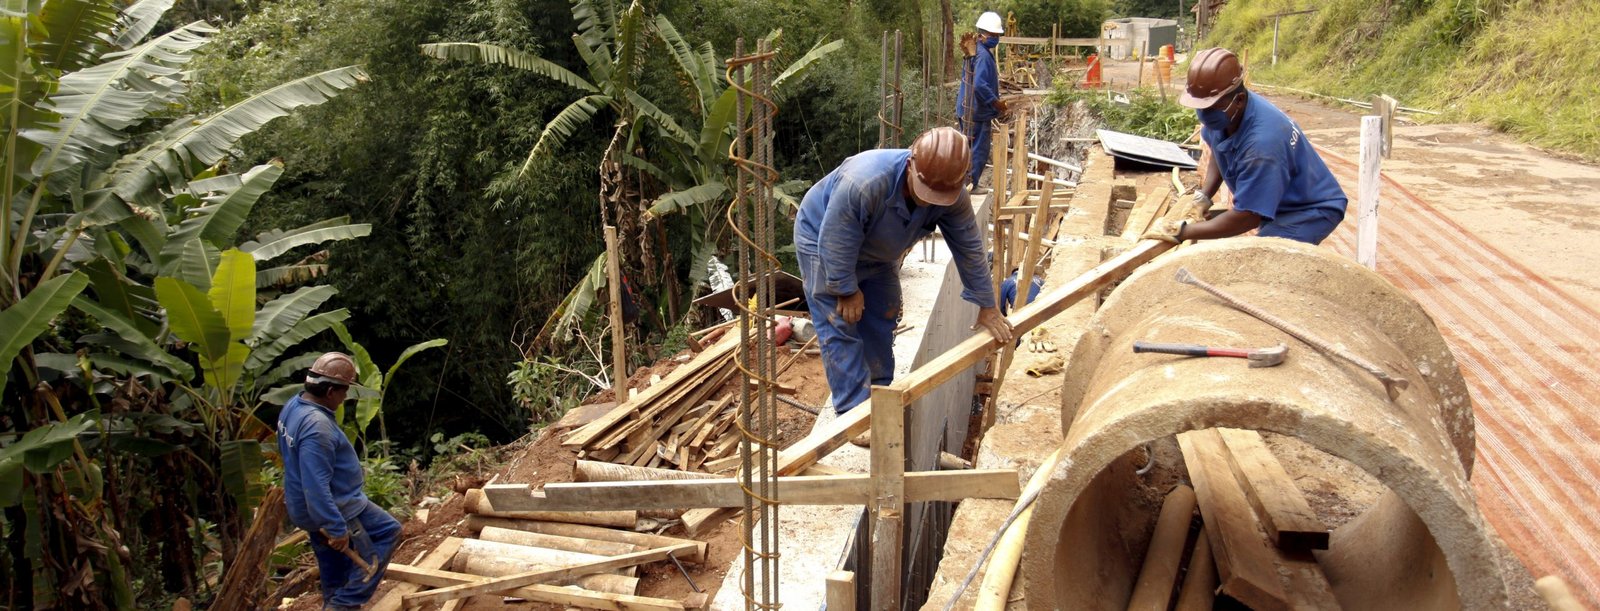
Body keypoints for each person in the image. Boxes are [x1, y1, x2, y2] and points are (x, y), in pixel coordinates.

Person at [795, 127, 1014, 415]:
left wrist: (987, 304)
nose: (929, 200)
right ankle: (852, 413)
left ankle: (878, 395)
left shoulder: (951, 194)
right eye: (926, 192)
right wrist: (845, 290)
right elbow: (836, 238)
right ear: (911, 163)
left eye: (939, 196)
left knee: (883, 314)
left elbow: (970, 247)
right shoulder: (864, 182)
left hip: (878, 251)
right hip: (823, 244)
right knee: (840, 323)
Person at [1145, 47, 1347, 245]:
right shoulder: (1225, 114)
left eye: (1210, 107)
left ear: (1239, 99)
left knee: (1261, 264)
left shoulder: (1262, 145)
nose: (1204, 115)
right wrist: (1204, 195)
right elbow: (1219, 148)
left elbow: (1248, 217)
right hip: (1279, 200)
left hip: (1308, 210)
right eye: (1200, 107)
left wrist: (1182, 231)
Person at [278, 352, 401, 611]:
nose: (345, 397)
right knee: (387, 532)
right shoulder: (317, 428)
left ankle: (333, 602)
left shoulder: (294, 405)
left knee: (334, 566)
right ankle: (344, 604)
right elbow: (316, 486)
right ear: (331, 390)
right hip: (338, 506)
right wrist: (335, 527)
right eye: (344, 392)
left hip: (306, 507)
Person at [956, 11, 1009, 194]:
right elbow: (979, 84)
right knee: (978, 149)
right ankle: (972, 185)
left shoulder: (974, 52)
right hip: (977, 111)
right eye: (994, 35)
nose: (996, 39)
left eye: (997, 35)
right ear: (984, 34)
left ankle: (963, 184)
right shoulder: (983, 56)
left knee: (965, 147)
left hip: (966, 107)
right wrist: (995, 102)